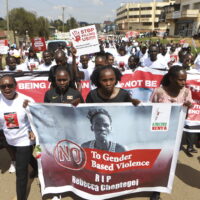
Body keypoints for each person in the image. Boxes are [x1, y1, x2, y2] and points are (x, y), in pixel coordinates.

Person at [150, 66, 193, 200]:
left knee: (169, 162)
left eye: (184, 80)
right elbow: (150, 109)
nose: (183, 82)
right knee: (158, 161)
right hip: (159, 134)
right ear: (171, 78)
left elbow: (189, 108)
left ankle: (161, 185)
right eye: (180, 80)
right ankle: (155, 189)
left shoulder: (186, 92)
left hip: (176, 134)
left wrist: (188, 105)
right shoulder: (159, 92)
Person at [0, 74, 37, 200]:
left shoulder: (26, 100)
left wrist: (33, 130)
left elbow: (38, 118)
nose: (7, 88)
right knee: (28, 159)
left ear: (16, 85)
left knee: (21, 172)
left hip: (24, 140)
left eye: (10, 85)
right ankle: (36, 170)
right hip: (9, 139)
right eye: (3, 86)